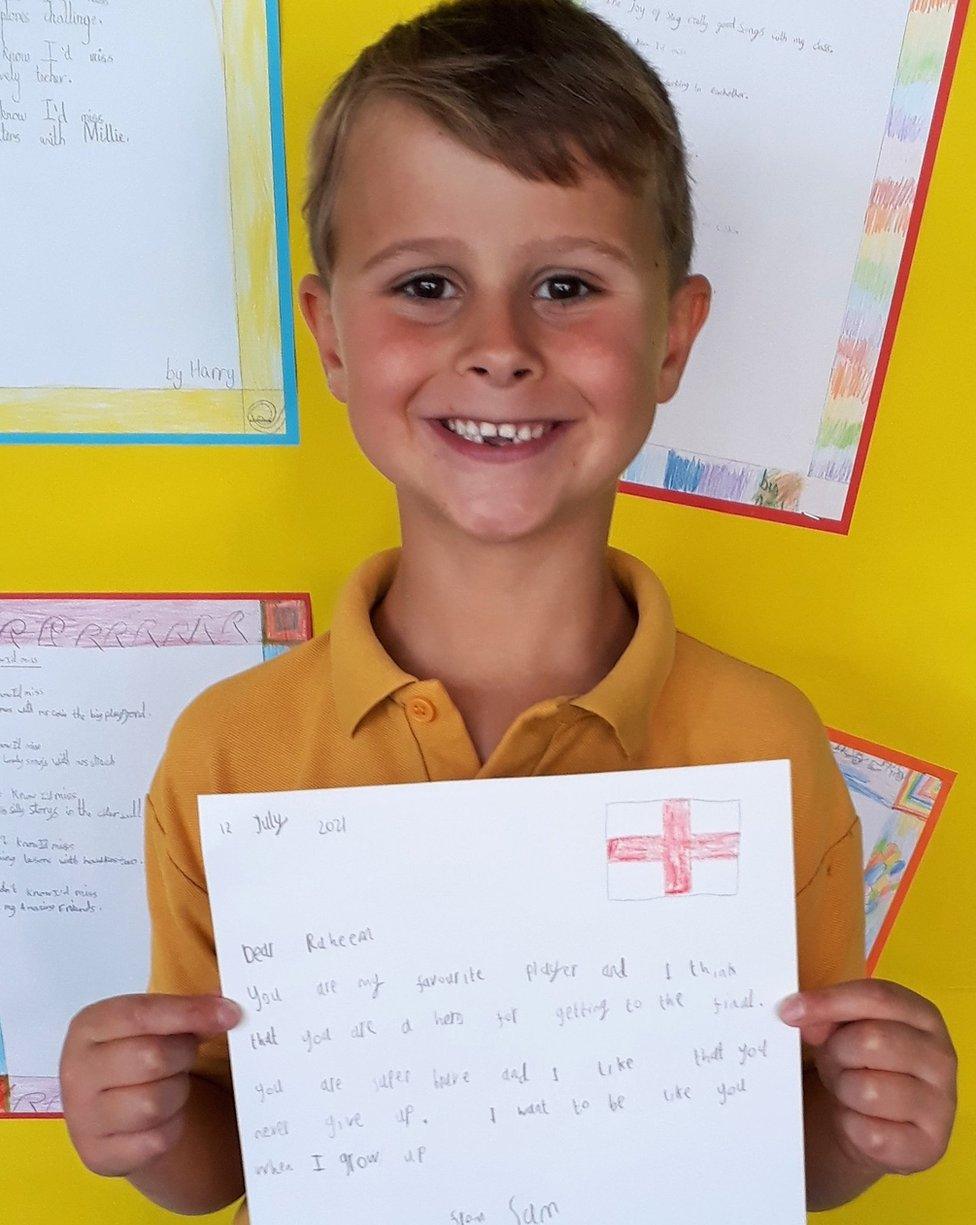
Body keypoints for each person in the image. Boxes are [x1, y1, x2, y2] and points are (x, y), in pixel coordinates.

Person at [58, 1, 956, 1220]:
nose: (497, 346)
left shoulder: (761, 742)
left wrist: (866, 1125)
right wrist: (144, 1131)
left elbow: (776, 1152)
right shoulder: (226, 753)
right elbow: (223, 1161)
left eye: (566, 285)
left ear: (673, 340)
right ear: (327, 333)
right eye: (427, 283)